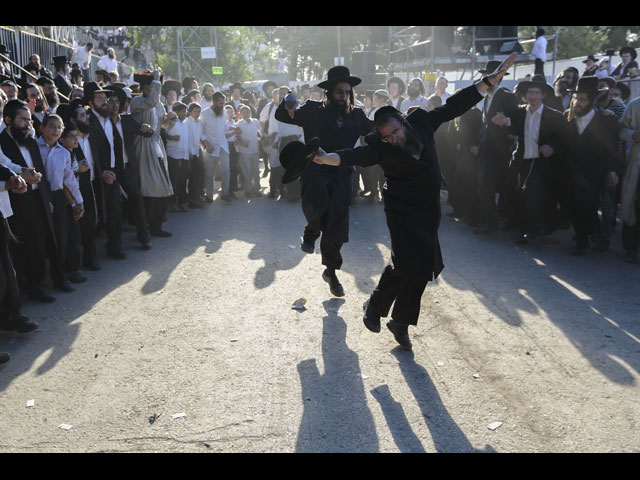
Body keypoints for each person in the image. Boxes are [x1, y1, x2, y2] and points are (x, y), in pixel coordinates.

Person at [313, 53, 518, 349]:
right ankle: (376, 305)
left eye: (396, 132)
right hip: (400, 210)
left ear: (403, 122)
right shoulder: (381, 148)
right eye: (387, 137)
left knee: (421, 267)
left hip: (428, 207)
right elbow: (351, 156)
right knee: (406, 261)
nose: (394, 139)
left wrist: (486, 83)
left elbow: (453, 106)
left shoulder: (421, 122)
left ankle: (400, 322)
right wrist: (325, 158)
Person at [275, 65, 375, 297]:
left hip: (342, 173)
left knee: (336, 228)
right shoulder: (312, 110)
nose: (345, 96)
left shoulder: (357, 115)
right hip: (316, 171)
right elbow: (282, 114)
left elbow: (375, 129)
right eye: (340, 92)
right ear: (329, 92)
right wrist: (288, 101)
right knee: (317, 202)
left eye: (348, 92)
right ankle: (311, 232)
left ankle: (330, 272)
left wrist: (398, 118)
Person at [0, 100, 66, 302]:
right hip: (16, 203)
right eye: (23, 120)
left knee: (43, 243)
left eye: (29, 120)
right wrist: (21, 176)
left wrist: (45, 197)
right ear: (8, 120)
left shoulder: (30, 140)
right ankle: (25, 290)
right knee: (24, 247)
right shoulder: (2, 141)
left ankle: (44, 283)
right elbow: (5, 166)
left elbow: (39, 170)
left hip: (38, 198)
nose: (28, 124)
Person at [491, 75, 564, 244]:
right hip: (521, 160)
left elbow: (562, 138)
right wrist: (501, 121)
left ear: (543, 95)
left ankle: (531, 230)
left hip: (541, 163)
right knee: (517, 194)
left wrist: (551, 147)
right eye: (530, 93)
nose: (532, 96)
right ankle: (520, 225)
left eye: (536, 93)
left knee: (533, 195)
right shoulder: (519, 112)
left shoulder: (553, 116)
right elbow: (509, 122)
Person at [560, 76, 621, 255]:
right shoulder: (567, 116)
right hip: (571, 170)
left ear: (593, 100)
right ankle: (586, 236)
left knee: (588, 204)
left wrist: (612, 170)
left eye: (582, 99)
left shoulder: (607, 120)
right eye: (575, 98)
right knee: (575, 204)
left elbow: (613, 147)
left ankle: (584, 240)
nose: (577, 102)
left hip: (596, 171)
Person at [105, 85, 153, 250]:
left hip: (127, 168)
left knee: (137, 200)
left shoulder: (126, 120)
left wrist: (147, 128)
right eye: (110, 101)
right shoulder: (101, 124)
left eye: (117, 101)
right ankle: (115, 245)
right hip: (110, 170)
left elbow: (144, 131)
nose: (114, 105)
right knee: (114, 208)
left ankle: (144, 237)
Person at [38, 115, 85, 285]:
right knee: (39, 239)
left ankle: (60, 276)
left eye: (59, 127)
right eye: (52, 126)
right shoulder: (34, 148)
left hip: (57, 196)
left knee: (61, 237)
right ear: (42, 128)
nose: (56, 130)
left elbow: (69, 179)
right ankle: (37, 282)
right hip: (38, 196)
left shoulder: (64, 153)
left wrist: (78, 201)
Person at [473, 60, 519, 234]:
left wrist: (506, 122)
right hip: (486, 148)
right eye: (485, 77)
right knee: (485, 186)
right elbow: (484, 125)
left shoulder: (506, 96)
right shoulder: (487, 98)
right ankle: (489, 221)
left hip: (500, 150)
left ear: (498, 78)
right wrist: (477, 143)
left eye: (489, 77)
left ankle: (492, 223)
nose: (486, 81)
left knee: (492, 187)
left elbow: (516, 119)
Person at [129, 70, 174, 237]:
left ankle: (157, 225)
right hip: (143, 145)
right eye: (149, 86)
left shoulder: (159, 104)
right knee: (149, 189)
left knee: (163, 187)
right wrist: (156, 80)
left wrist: (171, 119)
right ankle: (144, 227)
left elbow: (164, 127)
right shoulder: (137, 101)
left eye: (153, 86)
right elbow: (152, 101)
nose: (152, 89)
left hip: (157, 146)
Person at [619, 96, 640, 263]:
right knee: (634, 205)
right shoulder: (635, 105)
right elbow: (622, 130)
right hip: (637, 164)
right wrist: (634, 135)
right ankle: (631, 248)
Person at [200, 91, 231, 203]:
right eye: (220, 103)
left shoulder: (223, 111)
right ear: (213, 102)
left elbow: (225, 125)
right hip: (210, 147)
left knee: (226, 169)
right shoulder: (204, 114)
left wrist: (234, 128)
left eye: (223, 103)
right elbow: (200, 131)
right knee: (209, 172)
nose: (222, 105)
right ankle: (209, 195)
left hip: (223, 145)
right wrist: (206, 145)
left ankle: (225, 193)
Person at [165, 101, 191, 212]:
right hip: (173, 154)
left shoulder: (186, 123)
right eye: (182, 111)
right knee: (174, 179)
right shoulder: (170, 121)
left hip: (184, 155)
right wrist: (171, 137)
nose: (185, 113)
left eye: (185, 111)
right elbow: (161, 131)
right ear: (176, 112)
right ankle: (172, 202)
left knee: (183, 179)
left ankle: (182, 202)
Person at [234, 104, 262, 197]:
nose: (246, 114)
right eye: (244, 112)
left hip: (255, 150)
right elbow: (235, 137)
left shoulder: (255, 121)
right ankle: (247, 190)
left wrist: (263, 137)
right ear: (240, 114)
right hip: (244, 152)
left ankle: (256, 189)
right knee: (247, 172)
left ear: (250, 113)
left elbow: (260, 132)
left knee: (256, 172)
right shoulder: (238, 124)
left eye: (248, 112)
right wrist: (242, 141)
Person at [185, 102, 205, 208]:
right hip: (189, 152)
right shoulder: (187, 122)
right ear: (190, 112)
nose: (197, 113)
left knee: (199, 174)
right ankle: (192, 199)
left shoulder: (200, 122)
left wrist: (205, 145)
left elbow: (201, 136)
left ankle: (197, 197)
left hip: (197, 151)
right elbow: (187, 138)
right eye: (195, 111)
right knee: (192, 176)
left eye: (198, 111)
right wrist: (188, 152)